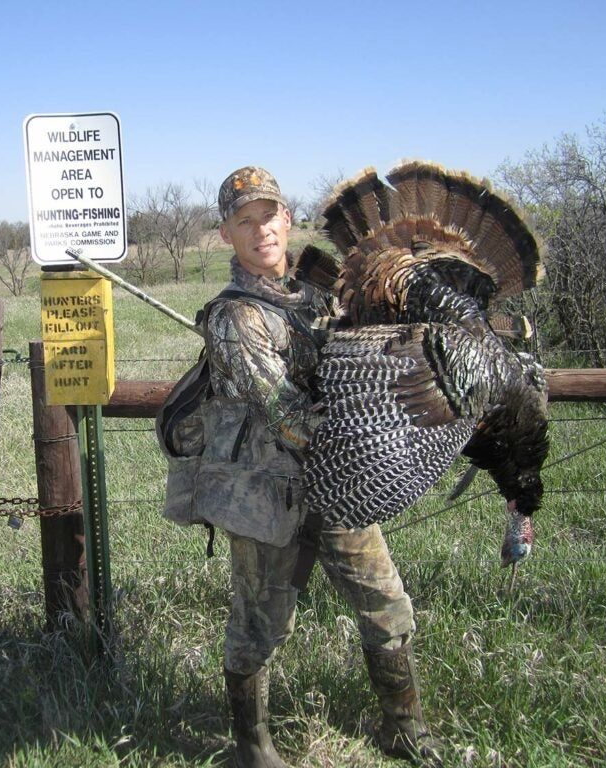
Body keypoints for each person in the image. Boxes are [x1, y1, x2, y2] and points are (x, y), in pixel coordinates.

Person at [198, 166, 443, 766]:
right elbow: (283, 413)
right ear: (227, 233)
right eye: (244, 221)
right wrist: (371, 444)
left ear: (287, 218)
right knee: (260, 627)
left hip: (338, 488)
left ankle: (403, 727)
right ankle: (251, 746)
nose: (261, 231)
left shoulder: (320, 295)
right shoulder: (233, 318)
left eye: (269, 216)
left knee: (385, 605)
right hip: (268, 494)